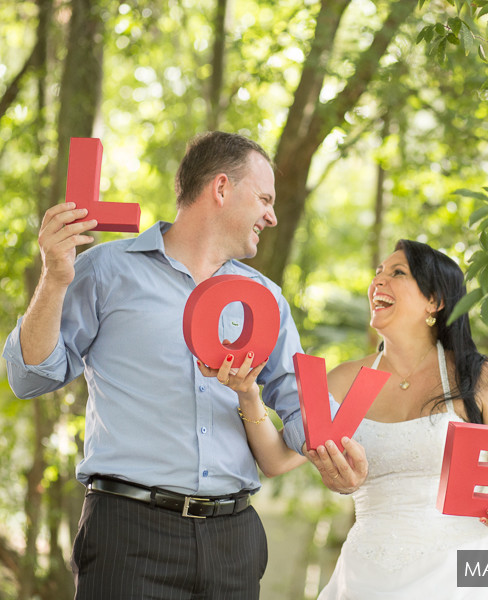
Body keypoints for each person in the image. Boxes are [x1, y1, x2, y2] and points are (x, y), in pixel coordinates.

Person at [2, 131, 366, 600]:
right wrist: (54, 279)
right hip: (129, 537)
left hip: (233, 541)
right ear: (221, 188)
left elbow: (303, 408)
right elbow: (29, 377)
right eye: (264, 199)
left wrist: (336, 454)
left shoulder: (265, 300)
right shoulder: (105, 271)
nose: (272, 216)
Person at [232, 239, 488, 598]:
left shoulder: (477, 378)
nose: (378, 282)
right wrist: (248, 394)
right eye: (377, 272)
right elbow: (275, 461)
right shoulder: (343, 380)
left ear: (435, 301)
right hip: (367, 578)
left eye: (398, 273)